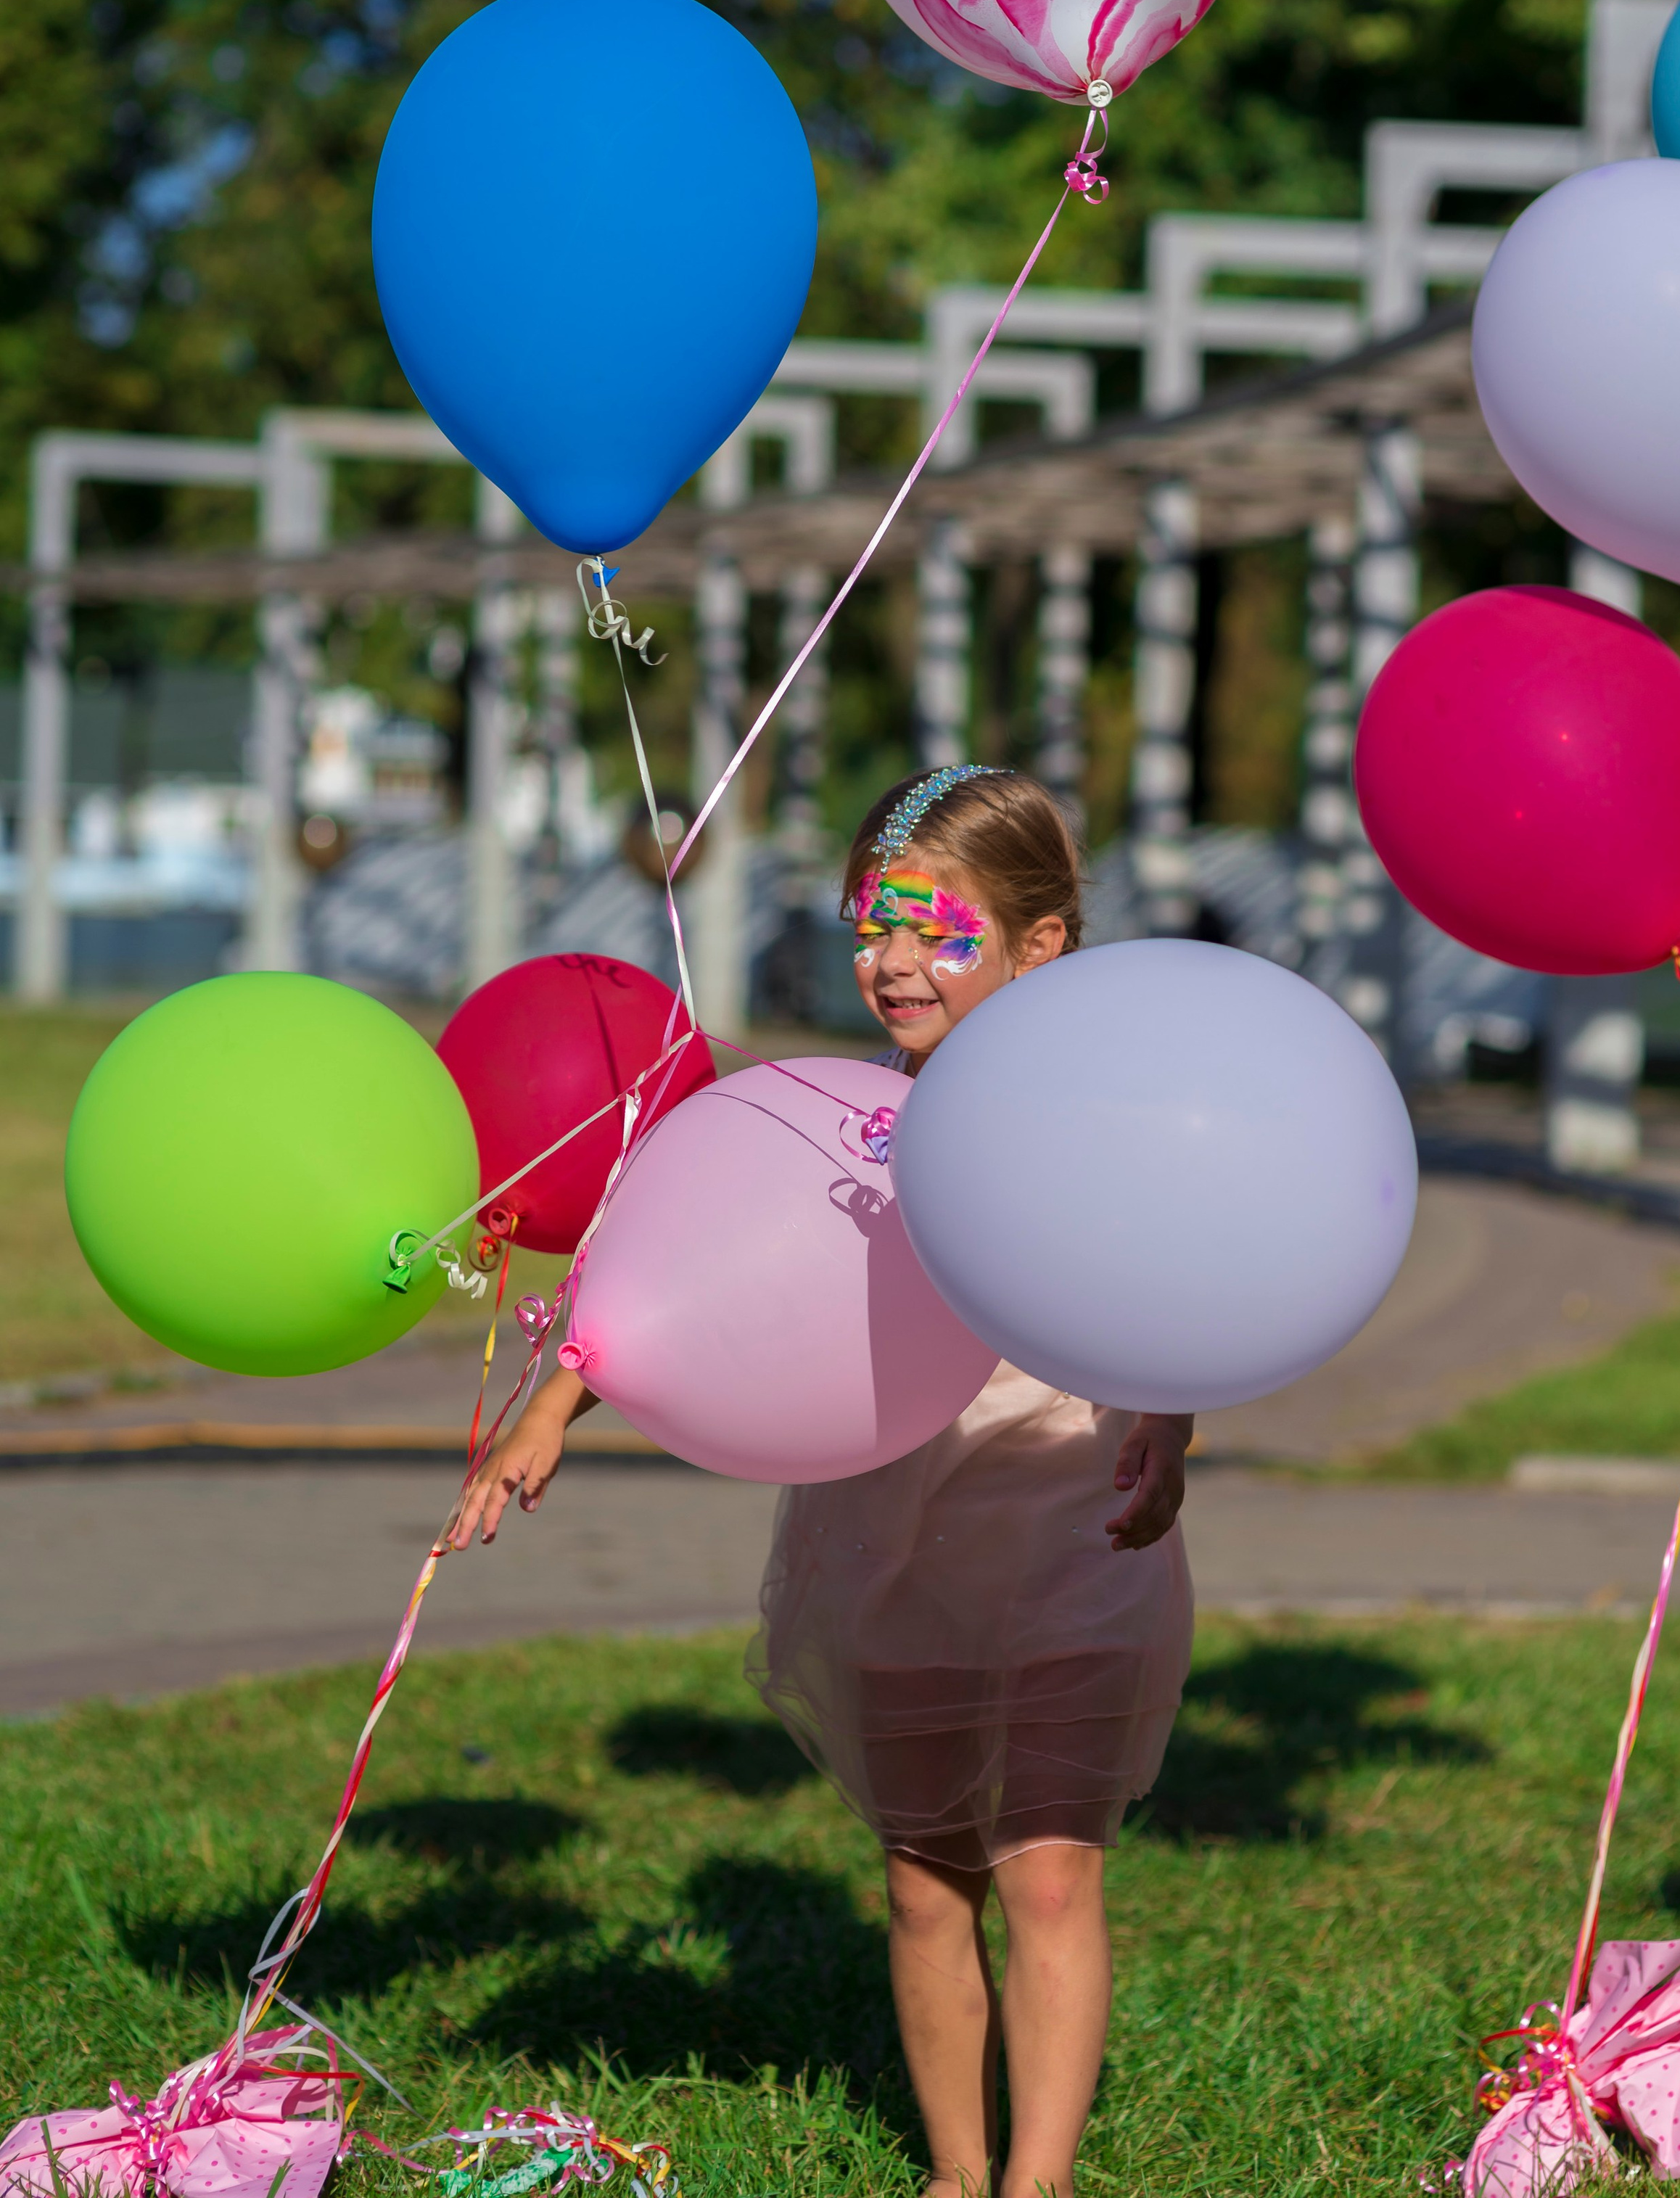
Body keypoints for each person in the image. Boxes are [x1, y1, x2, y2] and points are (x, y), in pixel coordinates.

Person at [453, 765, 1194, 2198]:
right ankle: (953, 2170)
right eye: (871, 924)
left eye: (933, 926)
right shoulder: (838, 1125)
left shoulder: (1099, 1118)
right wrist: (555, 1397)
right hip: (888, 1538)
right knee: (926, 1883)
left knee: (1047, 1871)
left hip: (1068, 1519)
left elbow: (1169, 1280)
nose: (892, 960)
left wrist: (1169, 1428)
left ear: (1039, 944)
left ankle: (1031, 2186)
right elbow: (710, 1261)